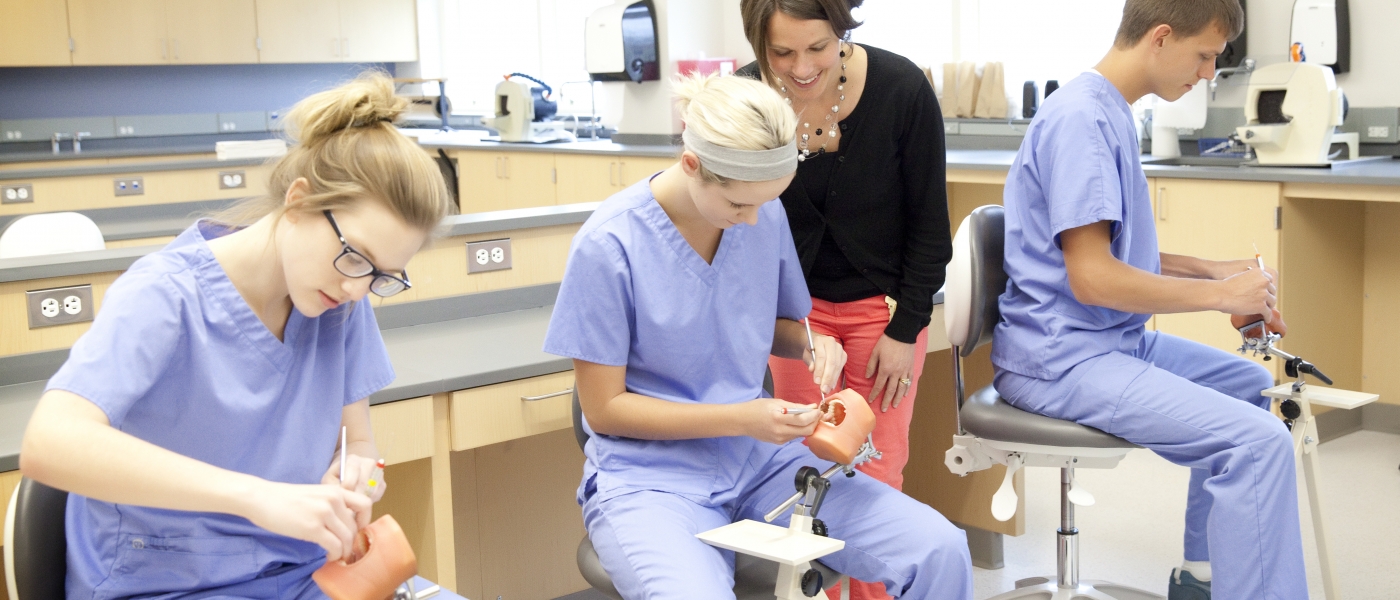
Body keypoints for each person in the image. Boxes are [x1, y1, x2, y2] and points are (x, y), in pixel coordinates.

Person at [20, 72, 453, 599]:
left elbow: (356, 439)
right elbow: (49, 445)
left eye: (381, 275)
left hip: (298, 575)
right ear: (298, 202)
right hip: (164, 583)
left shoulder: (338, 298)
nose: (359, 286)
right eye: (356, 256)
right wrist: (256, 497)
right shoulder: (165, 295)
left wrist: (355, 472)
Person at [544, 73, 971, 600]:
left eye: (765, 204)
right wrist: (745, 416)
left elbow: (760, 320)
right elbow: (605, 410)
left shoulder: (761, 211)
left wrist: (813, 343)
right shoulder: (608, 246)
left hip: (758, 463)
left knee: (939, 549)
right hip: (650, 481)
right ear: (692, 165)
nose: (751, 222)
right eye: (738, 207)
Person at [991, 1, 1307, 599]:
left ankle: (1204, 580)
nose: (1209, 73)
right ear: (1161, 38)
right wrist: (1218, 295)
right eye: (1206, 56)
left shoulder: (1110, 109)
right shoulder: (1081, 120)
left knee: (1246, 386)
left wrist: (1219, 270)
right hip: (1061, 360)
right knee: (1258, 444)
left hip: (1106, 340)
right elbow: (1093, 279)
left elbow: (1113, 254)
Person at [736, 0, 950, 510]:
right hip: (794, 318)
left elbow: (929, 226)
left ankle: (872, 593)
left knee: (876, 468)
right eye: (781, 52)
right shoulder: (743, 98)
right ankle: (822, 592)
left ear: (842, 30)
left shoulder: (901, 89)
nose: (803, 68)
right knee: (802, 467)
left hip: (884, 313)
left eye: (818, 47)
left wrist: (906, 331)